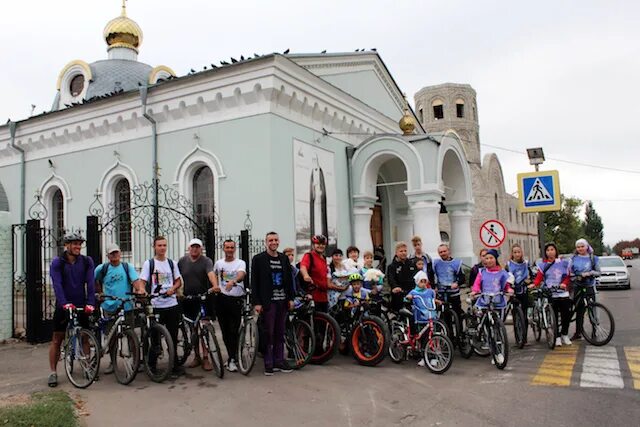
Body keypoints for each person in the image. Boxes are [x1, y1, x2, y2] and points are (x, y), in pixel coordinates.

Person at [48, 232, 96, 387]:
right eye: (74, 244)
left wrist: (90, 302)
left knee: (85, 337)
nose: (78, 246)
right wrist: (64, 303)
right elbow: (57, 284)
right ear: (66, 246)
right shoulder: (58, 262)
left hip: (81, 303)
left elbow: (90, 282)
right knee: (57, 338)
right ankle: (53, 372)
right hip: (64, 305)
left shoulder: (86, 261)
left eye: (79, 244)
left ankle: (87, 367)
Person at [138, 236, 183, 377]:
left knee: (173, 337)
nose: (162, 248)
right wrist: (142, 290)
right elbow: (142, 281)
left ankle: (175, 366)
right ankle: (152, 366)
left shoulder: (172, 263)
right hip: (156, 306)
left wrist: (173, 289)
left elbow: (178, 281)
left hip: (171, 304)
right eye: (159, 245)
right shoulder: (149, 264)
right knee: (155, 338)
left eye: (164, 245)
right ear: (154, 247)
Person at [251, 231, 295, 376]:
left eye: (276, 240)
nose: (273, 242)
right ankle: (268, 362)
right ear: (266, 242)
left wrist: (290, 298)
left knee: (280, 332)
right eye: (270, 240)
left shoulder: (283, 258)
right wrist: (256, 302)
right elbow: (255, 282)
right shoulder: (259, 259)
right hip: (268, 302)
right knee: (268, 332)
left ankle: (279, 360)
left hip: (282, 301)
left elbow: (289, 280)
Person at [94, 243, 139, 374]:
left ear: (120, 254)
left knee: (131, 334)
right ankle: (112, 363)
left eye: (116, 253)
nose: (115, 255)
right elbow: (94, 281)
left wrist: (140, 290)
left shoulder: (127, 267)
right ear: (108, 256)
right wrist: (99, 293)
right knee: (111, 336)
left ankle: (136, 361)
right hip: (109, 306)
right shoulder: (102, 269)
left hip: (127, 306)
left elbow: (135, 281)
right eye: (112, 253)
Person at [178, 238, 219, 371]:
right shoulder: (182, 261)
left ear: (201, 248)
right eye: (192, 247)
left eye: (197, 247)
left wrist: (215, 285)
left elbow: (211, 273)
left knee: (204, 327)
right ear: (189, 248)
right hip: (188, 299)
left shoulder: (206, 261)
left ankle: (206, 357)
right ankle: (196, 356)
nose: (195, 249)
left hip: (203, 298)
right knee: (193, 329)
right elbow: (176, 277)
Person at [212, 239, 246, 373]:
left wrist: (234, 281)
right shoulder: (219, 263)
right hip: (222, 299)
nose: (230, 250)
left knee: (234, 330)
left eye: (232, 248)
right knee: (225, 331)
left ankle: (233, 358)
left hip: (236, 300)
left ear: (235, 249)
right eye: (227, 248)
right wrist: (215, 287)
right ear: (223, 249)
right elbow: (214, 276)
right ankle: (232, 356)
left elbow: (241, 274)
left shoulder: (240, 263)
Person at [530, 242, 572, 347]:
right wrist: (534, 284)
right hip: (551, 294)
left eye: (552, 249)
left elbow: (568, 276)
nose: (550, 252)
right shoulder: (543, 265)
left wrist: (564, 283)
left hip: (563, 292)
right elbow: (539, 278)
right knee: (554, 318)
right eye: (548, 250)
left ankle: (565, 334)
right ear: (545, 252)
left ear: (556, 251)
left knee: (566, 315)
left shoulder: (563, 263)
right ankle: (557, 337)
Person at [568, 238, 600, 341]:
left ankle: (594, 331)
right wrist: (578, 276)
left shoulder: (593, 258)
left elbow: (599, 272)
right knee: (579, 310)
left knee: (592, 308)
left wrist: (589, 273)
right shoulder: (573, 259)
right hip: (578, 286)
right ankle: (578, 332)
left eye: (582, 246)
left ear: (586, 247)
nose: (580, 248)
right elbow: (569, 273)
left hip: (589, 286)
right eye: (578, 247)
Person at [406, 271, 439, 367]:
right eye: (421, 281)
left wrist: (437, 301)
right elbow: (406, 298)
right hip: (420, 317)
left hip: (431, 316)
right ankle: (423, 357)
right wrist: (409, 297)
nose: (423, 284)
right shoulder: (414, 292)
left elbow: (433, 299)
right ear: (417, 282)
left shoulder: (430, 291)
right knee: (422, 338)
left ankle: (433, 357)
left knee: (433, 337)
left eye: (425, 281)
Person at [470, 249, 514, 314]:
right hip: (485, 299)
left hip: (497, 299)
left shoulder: (502, 272)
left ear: (495, 259)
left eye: (491, 258)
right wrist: (475, 291)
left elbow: (505, 283)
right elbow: (477, 283)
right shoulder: (482, 272)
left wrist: (508, 289)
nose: (489, 260)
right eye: (487, 258)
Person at [505, 244, 533, 344]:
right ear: (512, 254)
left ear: (521, 253)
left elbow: (532, 275)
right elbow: (505, 277)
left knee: (524, 315)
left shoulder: (526, 263)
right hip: (514, 292)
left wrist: (529, 281)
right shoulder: (509, 264)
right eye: (515, 252)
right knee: (516, 315)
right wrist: (509, 286)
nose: (517, 254)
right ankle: (518, 338)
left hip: (524, 290)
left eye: (518, 252)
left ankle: (524, 338)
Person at [433, 244, 466, 320]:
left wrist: (457, 283)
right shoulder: (436, 263)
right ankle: (447, 330)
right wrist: (434, 287)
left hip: (453, 293)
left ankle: (459, 330)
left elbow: (462, 278)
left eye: (444, 251)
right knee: (444, 315)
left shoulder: (456, 263)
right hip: (441, 292)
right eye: (441, 252)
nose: (443, 253)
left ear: (448, 251)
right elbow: (432, 276)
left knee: (457, 313)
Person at [300, 235, 330, 312]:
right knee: (314, 320)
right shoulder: (309, 256)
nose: (321, 246)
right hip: (313, 294)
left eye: (323, 244)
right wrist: (305, 275)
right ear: (313, 245)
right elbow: (303, 266)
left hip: (324, 296)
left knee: (324, 321)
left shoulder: (324, 258)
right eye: (318, 244)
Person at [387, 242, 418, 311]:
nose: (403, 253)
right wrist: (395, 287)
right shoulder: (391, 266)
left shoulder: (412, 264)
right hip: (399, 294)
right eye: (401, 251)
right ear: (396, 253)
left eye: (405, 251)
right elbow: (391, 279)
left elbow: (417, 277)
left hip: (412, 292)